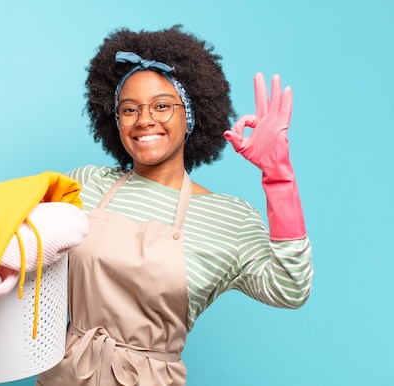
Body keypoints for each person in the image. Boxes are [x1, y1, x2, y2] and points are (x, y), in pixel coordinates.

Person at [36, 25, 313, 385]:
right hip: (65, 375)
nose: (144, 120)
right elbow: (23, 254)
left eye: (162, 106)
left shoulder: (230, 218)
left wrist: (278, 176)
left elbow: (290, 289)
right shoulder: (85, 183)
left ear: (192, 114)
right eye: (129, 109)